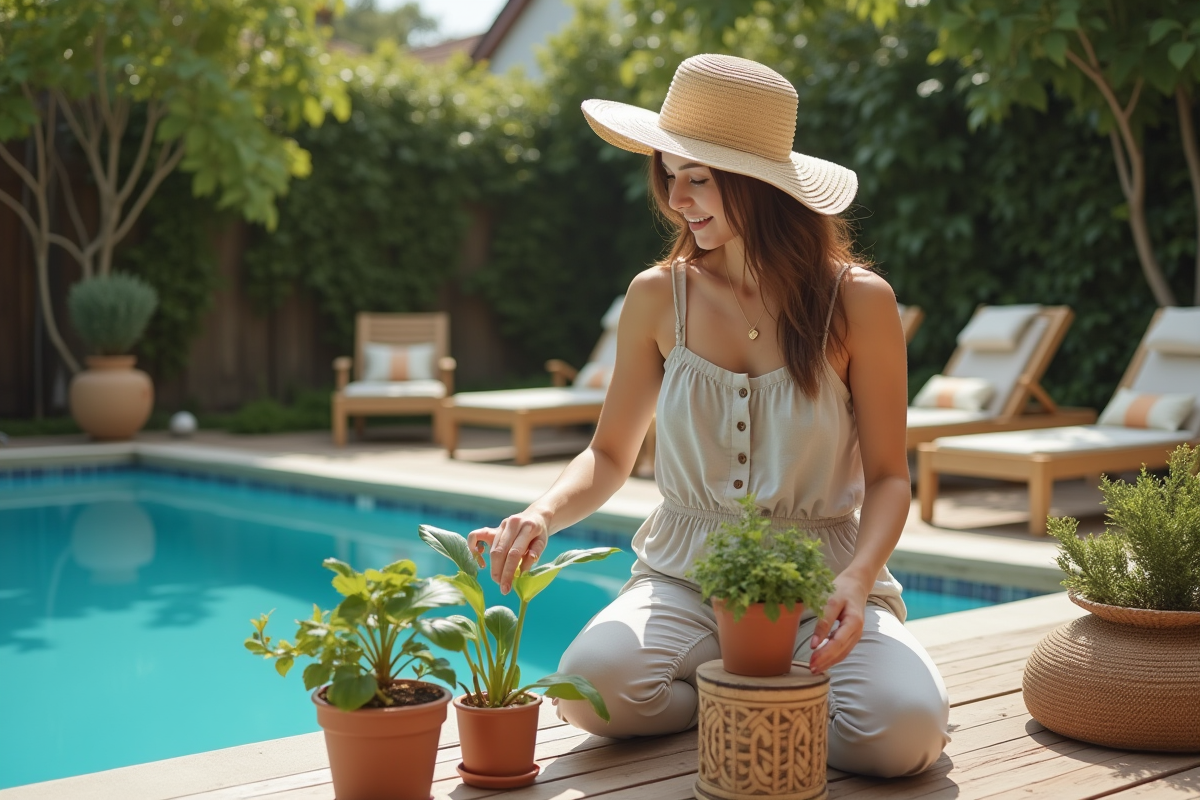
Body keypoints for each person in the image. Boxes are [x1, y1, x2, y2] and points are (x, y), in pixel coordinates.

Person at [465, 53, 950, 778]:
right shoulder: (658, 297)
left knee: (903, 735)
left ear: (760, 184)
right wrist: (541, 513)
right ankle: (748, 696)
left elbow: (887, 476)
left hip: (823, 583)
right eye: (668, 175)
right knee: (589, 692)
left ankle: (755, 692)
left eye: (700, 178)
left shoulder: (859, 302)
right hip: (684, 578)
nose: (678, 199)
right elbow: (607, 456)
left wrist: (858, 578)